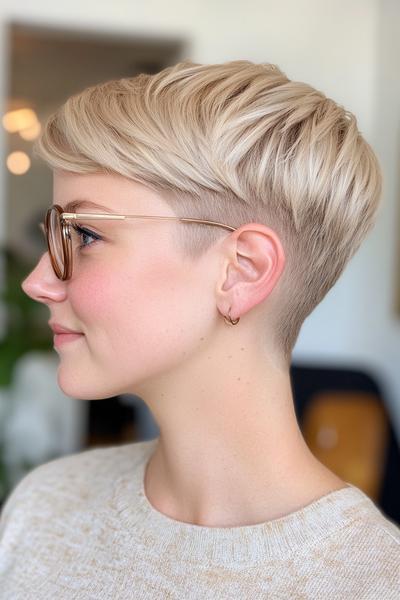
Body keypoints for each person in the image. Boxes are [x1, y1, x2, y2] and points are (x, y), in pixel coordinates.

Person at [0, 59, 399, 599]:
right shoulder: (44, 507)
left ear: (241, 271)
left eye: (85, 236)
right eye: (55, 235)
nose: (38, 281)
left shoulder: (373, 581)